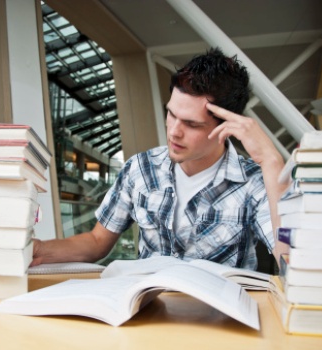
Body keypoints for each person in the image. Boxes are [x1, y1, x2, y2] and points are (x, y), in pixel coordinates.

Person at [31, 47, 289, 270]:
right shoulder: (140, 169)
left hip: (218, 321)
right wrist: (41, 250)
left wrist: (271, 160)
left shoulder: (256, 182)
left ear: (227, 128)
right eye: (172, 114)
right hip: (148, 313)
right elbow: (98, 242)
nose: (174, 131)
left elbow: (289, 259)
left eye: (191, 124)